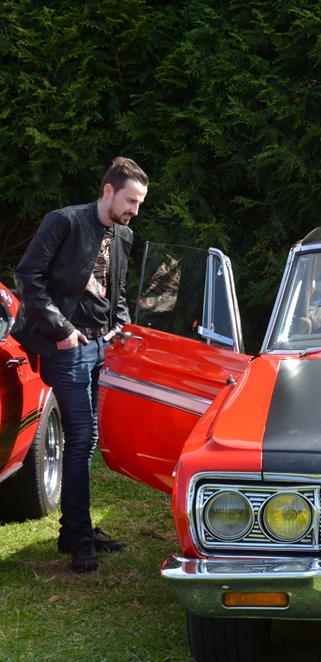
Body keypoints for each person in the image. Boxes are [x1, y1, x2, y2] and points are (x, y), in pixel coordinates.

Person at [12, 157, 149, 573]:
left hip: (101, 347)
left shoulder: (123, 235)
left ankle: (74, 530)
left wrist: (120, 327)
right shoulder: (64, 221)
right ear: (108, 190)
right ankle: (79, 538)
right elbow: (28, 276)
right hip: (67, 346)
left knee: (85, 440)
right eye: (131, 201)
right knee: (81, 435)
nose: (135, 210)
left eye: (140, 203)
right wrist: (63, 330)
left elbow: (117, 291)